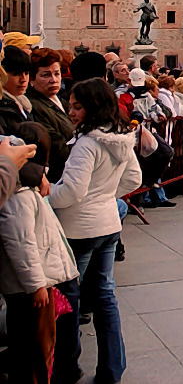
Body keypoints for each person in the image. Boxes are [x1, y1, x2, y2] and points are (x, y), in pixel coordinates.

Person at [50, 78, 142, 384]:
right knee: (104, 295)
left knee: (69, 297)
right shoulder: (120, 137)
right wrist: (105, 196)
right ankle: (112, 368)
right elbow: (133, 178)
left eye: (77, 106)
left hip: (79, 227)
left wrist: (46, 194)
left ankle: (67, 366)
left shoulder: (87, 143)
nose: (71, 112)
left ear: (92, 107)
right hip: (107, 223)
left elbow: (71, 191)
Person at [0, 123, 79, 384]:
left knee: (40, 346)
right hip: (29, 288)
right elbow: (21, 243)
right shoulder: (18, 195)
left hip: (38, 282)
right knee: (31, 350)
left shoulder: (26, 190)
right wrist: (36, 285)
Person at [28, 48, 75, 183]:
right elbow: (57, 146)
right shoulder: (33, 106)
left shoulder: (64, 101)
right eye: (46, 75)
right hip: (58, 178)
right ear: (32, 78)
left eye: (57, 74)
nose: (53, 80)